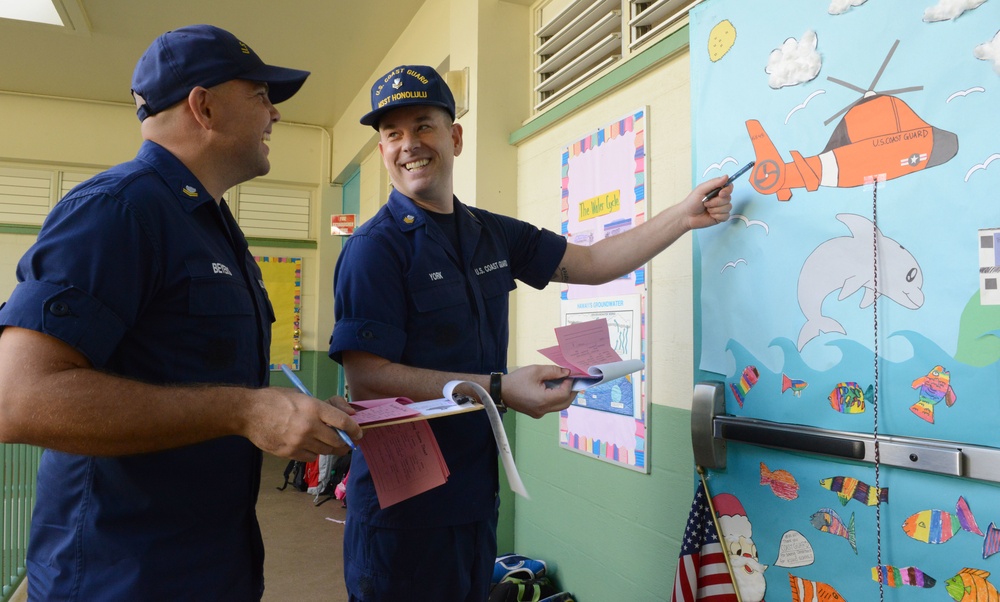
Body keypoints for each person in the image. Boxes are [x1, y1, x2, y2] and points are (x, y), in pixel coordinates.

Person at [329, 64, 733, 601]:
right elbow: (367, 381)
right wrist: (499, 388)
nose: (409, 145)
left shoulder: (489, 232)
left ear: (455, 137)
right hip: (402, 509)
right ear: (382, 150)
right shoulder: (374, 248)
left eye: (423, 125)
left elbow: (591, 262)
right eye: (392, 134)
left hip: (473, 495)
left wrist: (682, 216)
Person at [0, 25, 361, 601]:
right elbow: (17, 399)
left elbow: (201, 380)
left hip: (211, 563)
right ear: (205, 105)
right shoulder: (116, 211)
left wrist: (293, 412)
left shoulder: (213, 228)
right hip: (119, 578)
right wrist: (244, 410)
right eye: (261, 96)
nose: (275, 115)